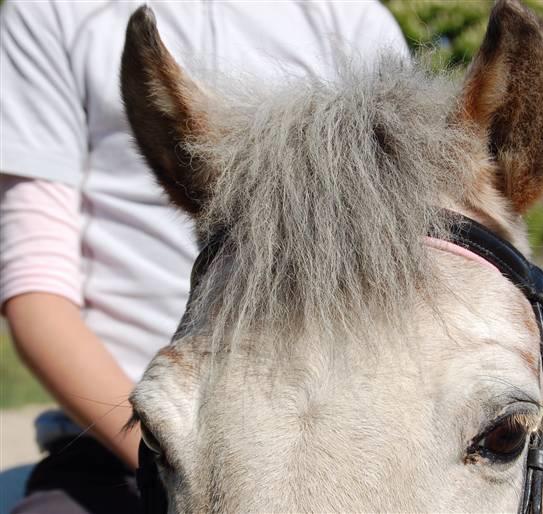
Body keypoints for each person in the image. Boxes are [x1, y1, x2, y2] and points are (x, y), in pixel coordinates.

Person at [0, 1, 408, 512]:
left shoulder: (349, 19)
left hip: (326, 439)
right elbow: (37, 296)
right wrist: (171, 453)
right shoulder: (56, 13)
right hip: (125, 443)